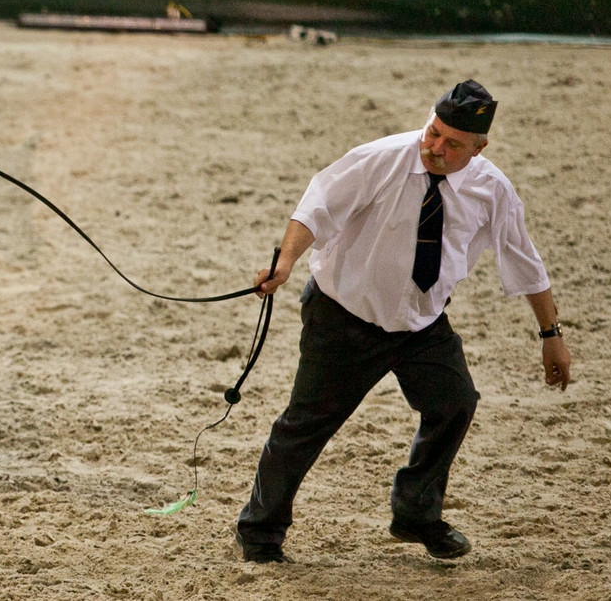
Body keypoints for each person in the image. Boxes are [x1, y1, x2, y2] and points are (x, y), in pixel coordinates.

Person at [235, 79, 572, 563]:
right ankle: (259, 532)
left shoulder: (492, 189)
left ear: (479, 148)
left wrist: (551, 335)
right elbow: (316, 207)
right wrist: (285, 264)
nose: (434, 148)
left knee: (456, 403)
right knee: (306, 424)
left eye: (452, 143)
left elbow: (524, 260)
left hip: (421, 324)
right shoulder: (381, 158)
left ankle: (415, 513)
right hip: (344, 317)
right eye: (433, 133)